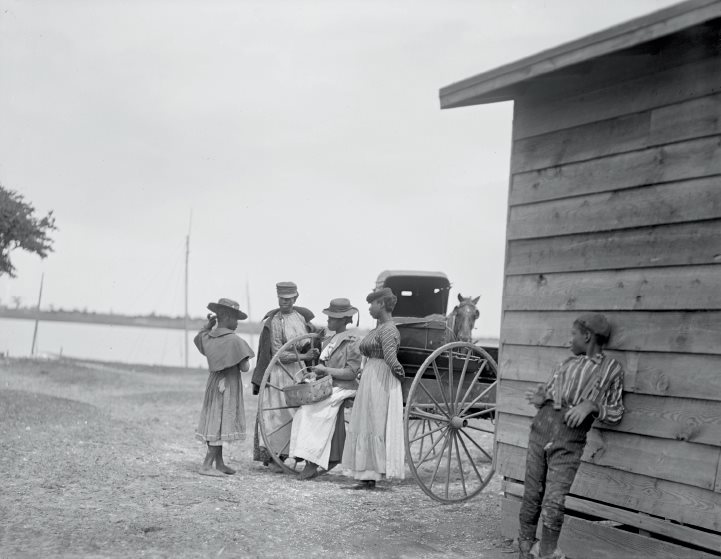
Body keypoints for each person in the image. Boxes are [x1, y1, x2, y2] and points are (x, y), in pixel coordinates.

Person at [517, 313, 624, 559]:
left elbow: (617, 412)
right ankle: (524, 550)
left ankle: (547, 553)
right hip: (540, 431)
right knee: (532, 495)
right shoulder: (566, 364)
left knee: (553, 502)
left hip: (568, 441)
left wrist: (592, 406)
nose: (568, 340)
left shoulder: (611, 369)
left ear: (587, 336)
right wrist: (541, 399)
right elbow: (551, 397)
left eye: (572, 334)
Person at [289, 298, 361, 480]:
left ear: (344, 320)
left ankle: (313, 463)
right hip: (327, 385)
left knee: (315, 413)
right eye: (329, 316)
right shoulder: (329, 339)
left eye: (332, 317)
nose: (328, 320)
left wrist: (326, 371)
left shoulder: (353, 342)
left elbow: (352, 373)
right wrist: (315, 375)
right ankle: (304, 455)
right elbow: (322, 366)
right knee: (303, 410)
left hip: (344, 386)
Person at [342, 287, 405, 490]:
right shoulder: (378, 329)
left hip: (380, 378)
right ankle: (366, 474)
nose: (369, 308)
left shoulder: (388, 329)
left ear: (382, 304)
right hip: (371, 375)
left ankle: (373, 474)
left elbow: (391, 359)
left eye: (372, 304)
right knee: (366, 422)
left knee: (375, 422)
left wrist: (399, 377)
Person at [252, 281, 318, 470]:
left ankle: (297, 452)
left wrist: (312, 349)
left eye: (288, 299)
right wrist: (305, 356)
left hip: (298, 371)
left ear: (295, 298)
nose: (284, 302)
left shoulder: (300, 318)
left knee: (298, 411)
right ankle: (275, 455)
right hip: (280, 371)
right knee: (279, 413)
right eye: (281, 299)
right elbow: (278, 353)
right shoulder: (275, 321)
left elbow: (306, 342)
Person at [194, 298, 254, 477]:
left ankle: (219, 463)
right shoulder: (235, 341)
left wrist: (208, 325)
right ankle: (206, 465)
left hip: (213, 384)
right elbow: (245, 368)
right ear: (227, 317)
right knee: (219, 423)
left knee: (214, 419)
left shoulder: (208, 336)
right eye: (235, 318)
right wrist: (241, 359)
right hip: (228, 385)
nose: (237, 323)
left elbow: (199, 339)